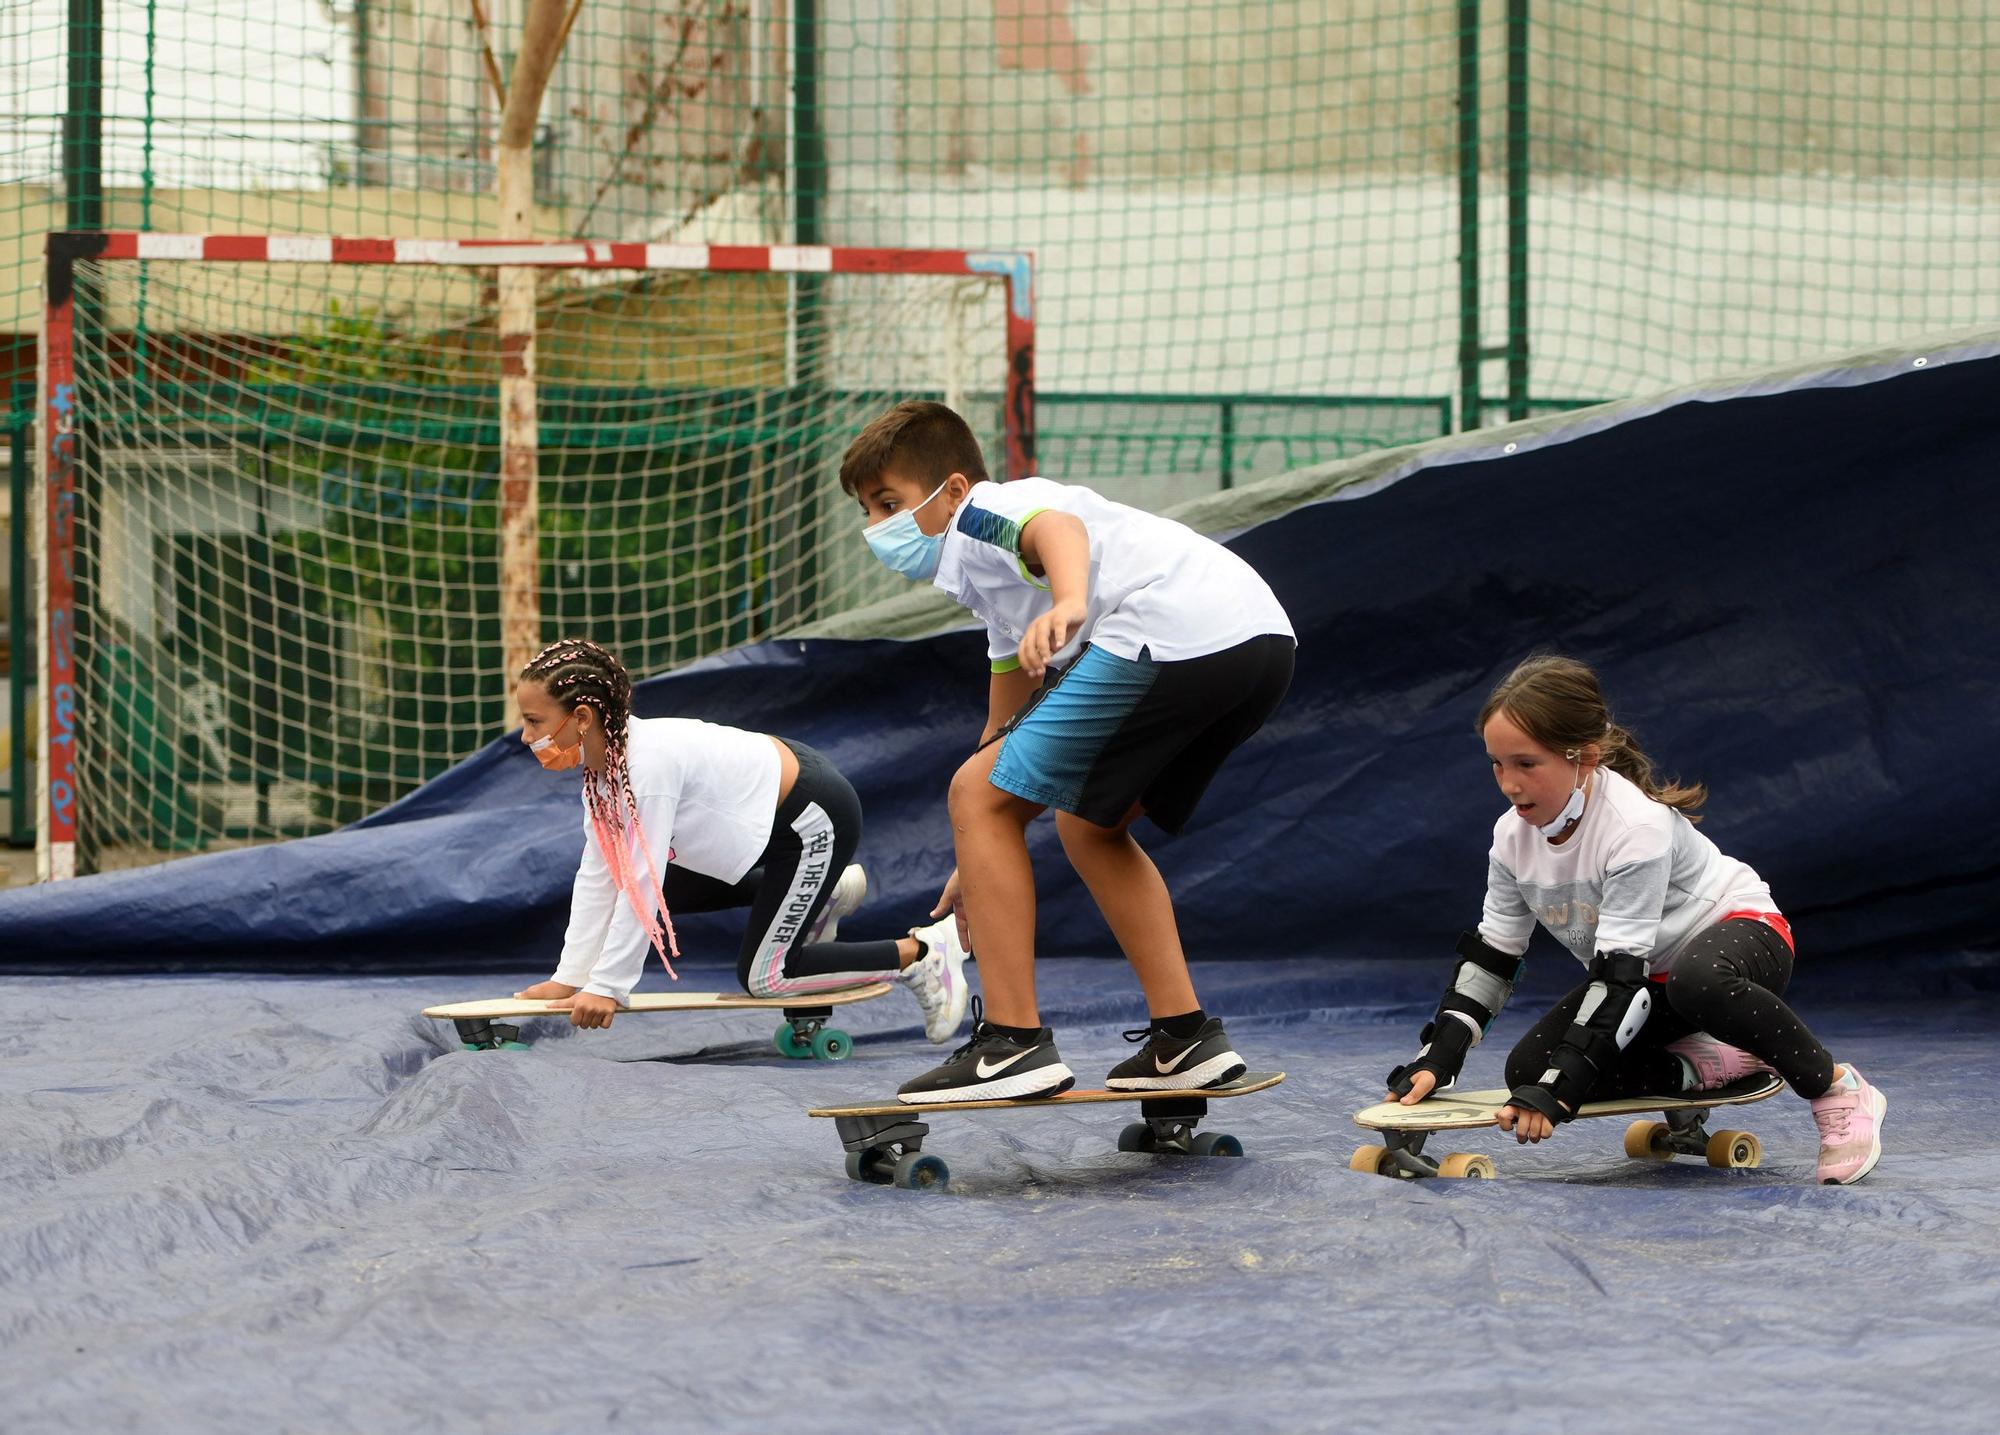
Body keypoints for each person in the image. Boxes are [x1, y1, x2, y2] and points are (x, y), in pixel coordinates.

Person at [839, 399, 1296, 1103]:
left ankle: (1011, 1045)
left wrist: (1071, 600)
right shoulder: (990, 591)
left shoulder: (986, 512)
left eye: (889, 503)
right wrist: (977, 852)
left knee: (976, 793)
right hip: (1257, 644)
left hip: (1173, 625)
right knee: (1085, 824)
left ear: (953, 489)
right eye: (868, 511)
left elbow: (1057, 530)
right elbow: (1004, 725)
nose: (878, 527)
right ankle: (1184, 1037)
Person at [1385, 654, 1887, 1185]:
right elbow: (1494, 957)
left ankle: (1834, 1085)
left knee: (1692, 987)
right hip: (1647, 983)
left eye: (1526, 764)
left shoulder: (1634, 826)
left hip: (1742, 939)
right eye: (1497, 764)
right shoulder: (1510, 839)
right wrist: (1437, 1060)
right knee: (1529, 1072)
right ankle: (1709, 1064)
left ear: (1585, 758)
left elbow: (1620, 977)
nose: (1508, 784)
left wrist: (1565, 1087)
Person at [509, 637, 971, 1043]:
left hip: (813, 816)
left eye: (533, 721)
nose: (527, 737)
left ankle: (923, 953)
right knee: (628, 877)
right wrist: (571, 978)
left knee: (767, 976)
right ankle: (825, 891)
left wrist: (607, 986)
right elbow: (600, 877)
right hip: (768, 821)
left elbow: (642, 884)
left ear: (583, 716)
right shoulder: (602, 777)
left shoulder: (645, 769)